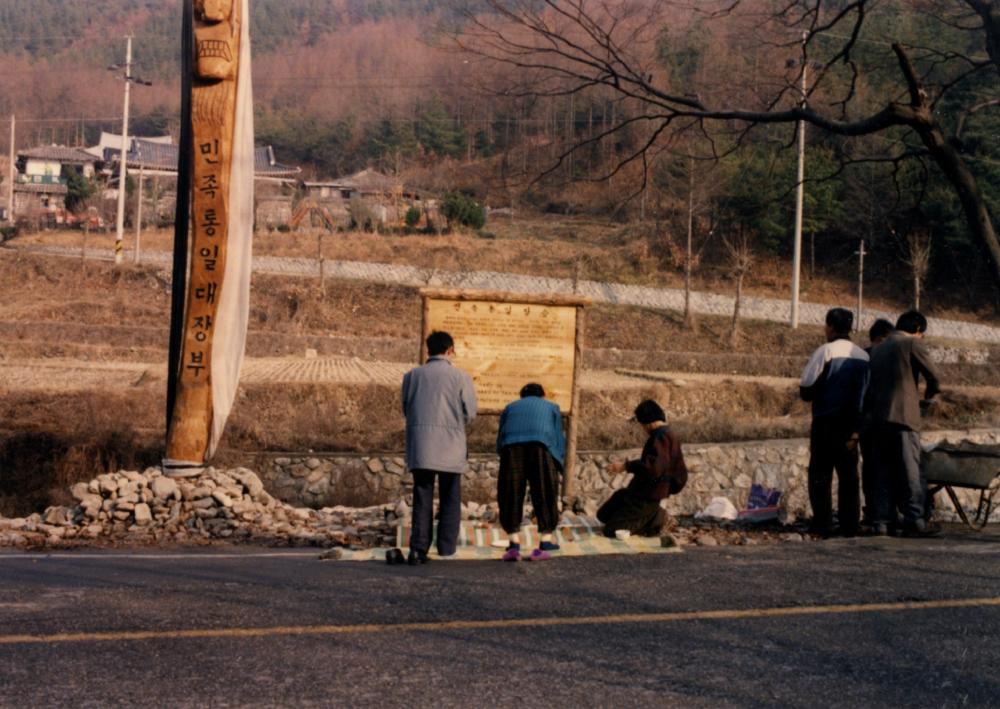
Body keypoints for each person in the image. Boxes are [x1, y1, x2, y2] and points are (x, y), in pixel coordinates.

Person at [401, 331, 478, 564]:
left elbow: (406, 408)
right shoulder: (461, 377)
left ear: (428, 350)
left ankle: (418, 548)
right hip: (451, 445)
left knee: (422, 495)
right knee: (450, 497)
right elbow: (471, 413)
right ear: (450, 350)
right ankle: (446, 547)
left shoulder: (411, 376)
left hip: (421, 445)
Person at [866, 310, 941, 537]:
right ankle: (914, 520)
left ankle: (881, 521)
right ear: (917, 329)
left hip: (878, 419)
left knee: (882, 472)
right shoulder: (911, 344)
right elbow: (934, 376)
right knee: (911, 471)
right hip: (904, 417)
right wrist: (931, 395)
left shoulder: (877, 349)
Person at [799, 307, 870, 537]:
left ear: (830, 326)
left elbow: (807, 388)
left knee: (821, 473)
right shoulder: (864, 356)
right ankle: (850, 524)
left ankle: (823, 522)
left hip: (826, 422)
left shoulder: (825, 351)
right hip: (852, 425)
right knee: (849, 475)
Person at [496, 383, 566, 562]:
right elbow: (558, 438)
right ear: (542, 395)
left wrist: (504, 458)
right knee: (545, 492)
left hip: (511, 447)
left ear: (522, 396)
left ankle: (513, 544)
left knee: (510, 493)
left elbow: (501, 438)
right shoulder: (552, 407)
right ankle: (545, 541)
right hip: (541, 446)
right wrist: (559, 464)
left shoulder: (509, 408)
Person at [597, 400, 687, 538]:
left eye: (641, 424)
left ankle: (657, 519)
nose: (642, 428)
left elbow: (653, 468)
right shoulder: (663, 435)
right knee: (604, 514)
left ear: (647, 422)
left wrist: (625, 466)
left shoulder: (662, 437)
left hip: (648, 498)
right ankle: (650, 516)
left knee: (611, 530)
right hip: (640, 491)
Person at [860, 318, 895, 528]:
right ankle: (878, 513)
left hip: (874, 422)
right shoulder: (871, 357)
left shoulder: (866, 356)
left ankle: (878, 513)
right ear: (879, 339)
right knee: (876, 469)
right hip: (875, 422)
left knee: (874, 469)